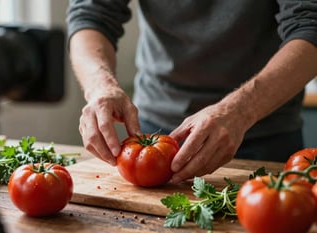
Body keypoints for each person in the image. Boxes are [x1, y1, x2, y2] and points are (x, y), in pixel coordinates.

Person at [67, 1, 317, 183]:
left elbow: (310, 24)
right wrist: (101, 86)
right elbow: (91, 14)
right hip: (153, 127)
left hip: (265, 131)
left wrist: (240, 111)